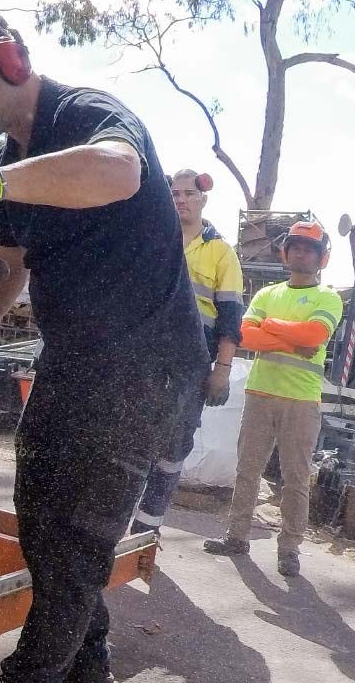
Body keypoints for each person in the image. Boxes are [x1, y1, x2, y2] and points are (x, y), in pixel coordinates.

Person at [0, 13, 206, 682]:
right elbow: (7, 269)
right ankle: (88, 666)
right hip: (75, 363)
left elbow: (120, 171)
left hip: (145, 367)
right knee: (41, 526)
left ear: (10, 58)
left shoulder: (86, 115)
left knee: (74, 545)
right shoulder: (13, 165)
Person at [202, 221, 343, 578]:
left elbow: (315, 334)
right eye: (295, 246)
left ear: (321, 257)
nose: (301, 253)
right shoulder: (267, 294)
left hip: (301, 401)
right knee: (247, 470)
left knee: (295, 479)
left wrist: (273, 329)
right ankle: (237, 536)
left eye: (309, 249)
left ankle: (289, 549)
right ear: (285, 252)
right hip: (261, 394)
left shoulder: (328, 298)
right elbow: (246, 336)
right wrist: (294, 340)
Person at [131, 169, 246, 534]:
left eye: (189, 194)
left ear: (203, 200)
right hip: (145, 357)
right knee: (131, 437)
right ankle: (113, 525)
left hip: (190, 364)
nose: (181, 200)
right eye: (175, 194)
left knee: (173, 445)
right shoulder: (155, 239)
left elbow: (230, 319)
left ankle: (147, 530)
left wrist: (222, 370)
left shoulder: (221, 253)